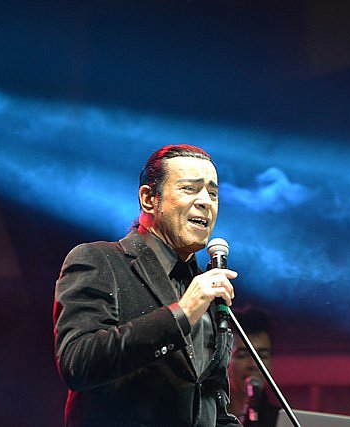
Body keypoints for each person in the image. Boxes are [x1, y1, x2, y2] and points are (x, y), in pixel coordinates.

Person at [53, 144, 241, 426]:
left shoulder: (206, 290)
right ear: (149, 199)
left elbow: (213, 407)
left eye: (212, 193)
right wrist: (182, 313)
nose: (206, 201)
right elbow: (78, 363)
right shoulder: (100, 260)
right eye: (189, 189)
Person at [228, 307, 281, 427]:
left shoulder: (281, 420)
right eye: (242, 355)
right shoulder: (204, 416)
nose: (254, 364)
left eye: (262, 356)